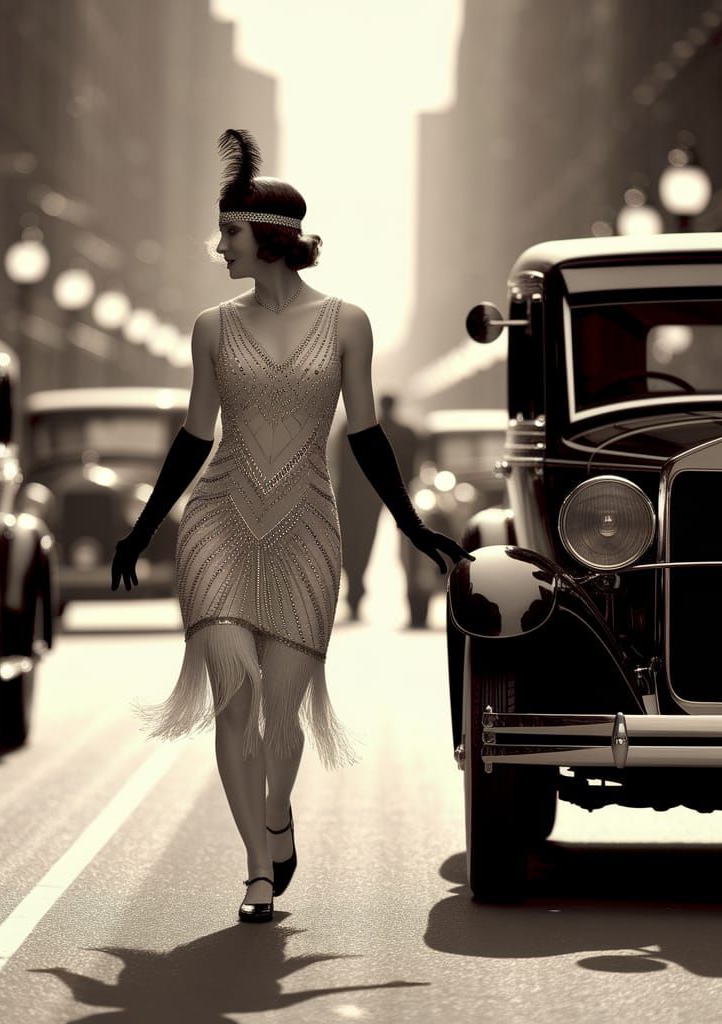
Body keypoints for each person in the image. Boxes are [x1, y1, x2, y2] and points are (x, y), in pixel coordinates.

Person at [110, 129, 473, 925]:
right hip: (215, 523)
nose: (220, 249)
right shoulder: (211, 327)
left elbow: (368, 435)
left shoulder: (348, 324)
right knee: (233, 698)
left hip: (310, 525)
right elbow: (195, 436)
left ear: (267, 236)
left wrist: (413, 528)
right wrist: (143, 530)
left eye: (230, 235)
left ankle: (277, 814)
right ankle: (256, 873)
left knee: (284, 714)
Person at [334, 393, 420, 623]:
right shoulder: (406, 434)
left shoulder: (350, 429)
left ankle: (355, 590)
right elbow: (411, 469)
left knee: (358, 543)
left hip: (359, 496)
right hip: (387, 493)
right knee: (391, 545)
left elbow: (341, 466)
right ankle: (413, 597)